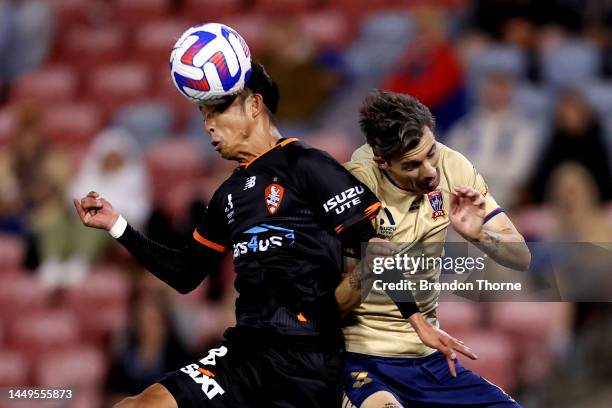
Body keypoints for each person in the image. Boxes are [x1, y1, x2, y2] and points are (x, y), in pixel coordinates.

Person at [74, 63, 451, 408]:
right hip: (244, 353)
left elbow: (376, 249)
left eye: (217, 111)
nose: (208, 125)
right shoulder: (228, 194)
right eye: (204, 115)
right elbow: (185, 274)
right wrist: (117, 226)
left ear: (254, 106)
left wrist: (416, 322)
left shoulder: (308, 165)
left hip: (305, 362)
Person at [337, 89, 531, 408]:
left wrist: (480, 236)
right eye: (413, 165)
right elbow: (331, 306)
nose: (429, 171)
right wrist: (368, 269)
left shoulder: (454, 166)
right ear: (382, 162)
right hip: (361, 359)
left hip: (428, 358)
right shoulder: (352, 187)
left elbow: (521, 257)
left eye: (431, 153)